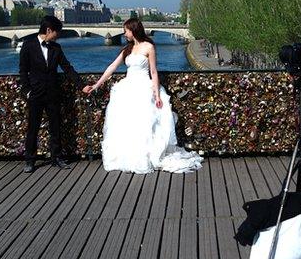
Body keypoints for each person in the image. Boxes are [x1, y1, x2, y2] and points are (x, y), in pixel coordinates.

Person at [84, 19, 203, 174]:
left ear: (133, 30)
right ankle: (129, 156)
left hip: (143, 88)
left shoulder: (149, 47)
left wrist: (157, 95)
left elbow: (153, 72)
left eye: (126, 30)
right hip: (127, 88)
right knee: (128, 124)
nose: (124, 33)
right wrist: (97, 84)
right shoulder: (127, 49)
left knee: (144, 124)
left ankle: (144, 157)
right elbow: (112, 66)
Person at [19, 15, 85, 173]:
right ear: (48, 30)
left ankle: (56, 157)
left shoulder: (57, 48)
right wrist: (27, 91)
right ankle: (30, 160)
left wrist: (81, 85)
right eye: (57, 32)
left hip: (53, 93)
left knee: (56, 127)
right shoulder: (28, 45)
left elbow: (67, 68)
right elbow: (22, 71)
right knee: (32, 128)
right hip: (35, 93)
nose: (58, 36)